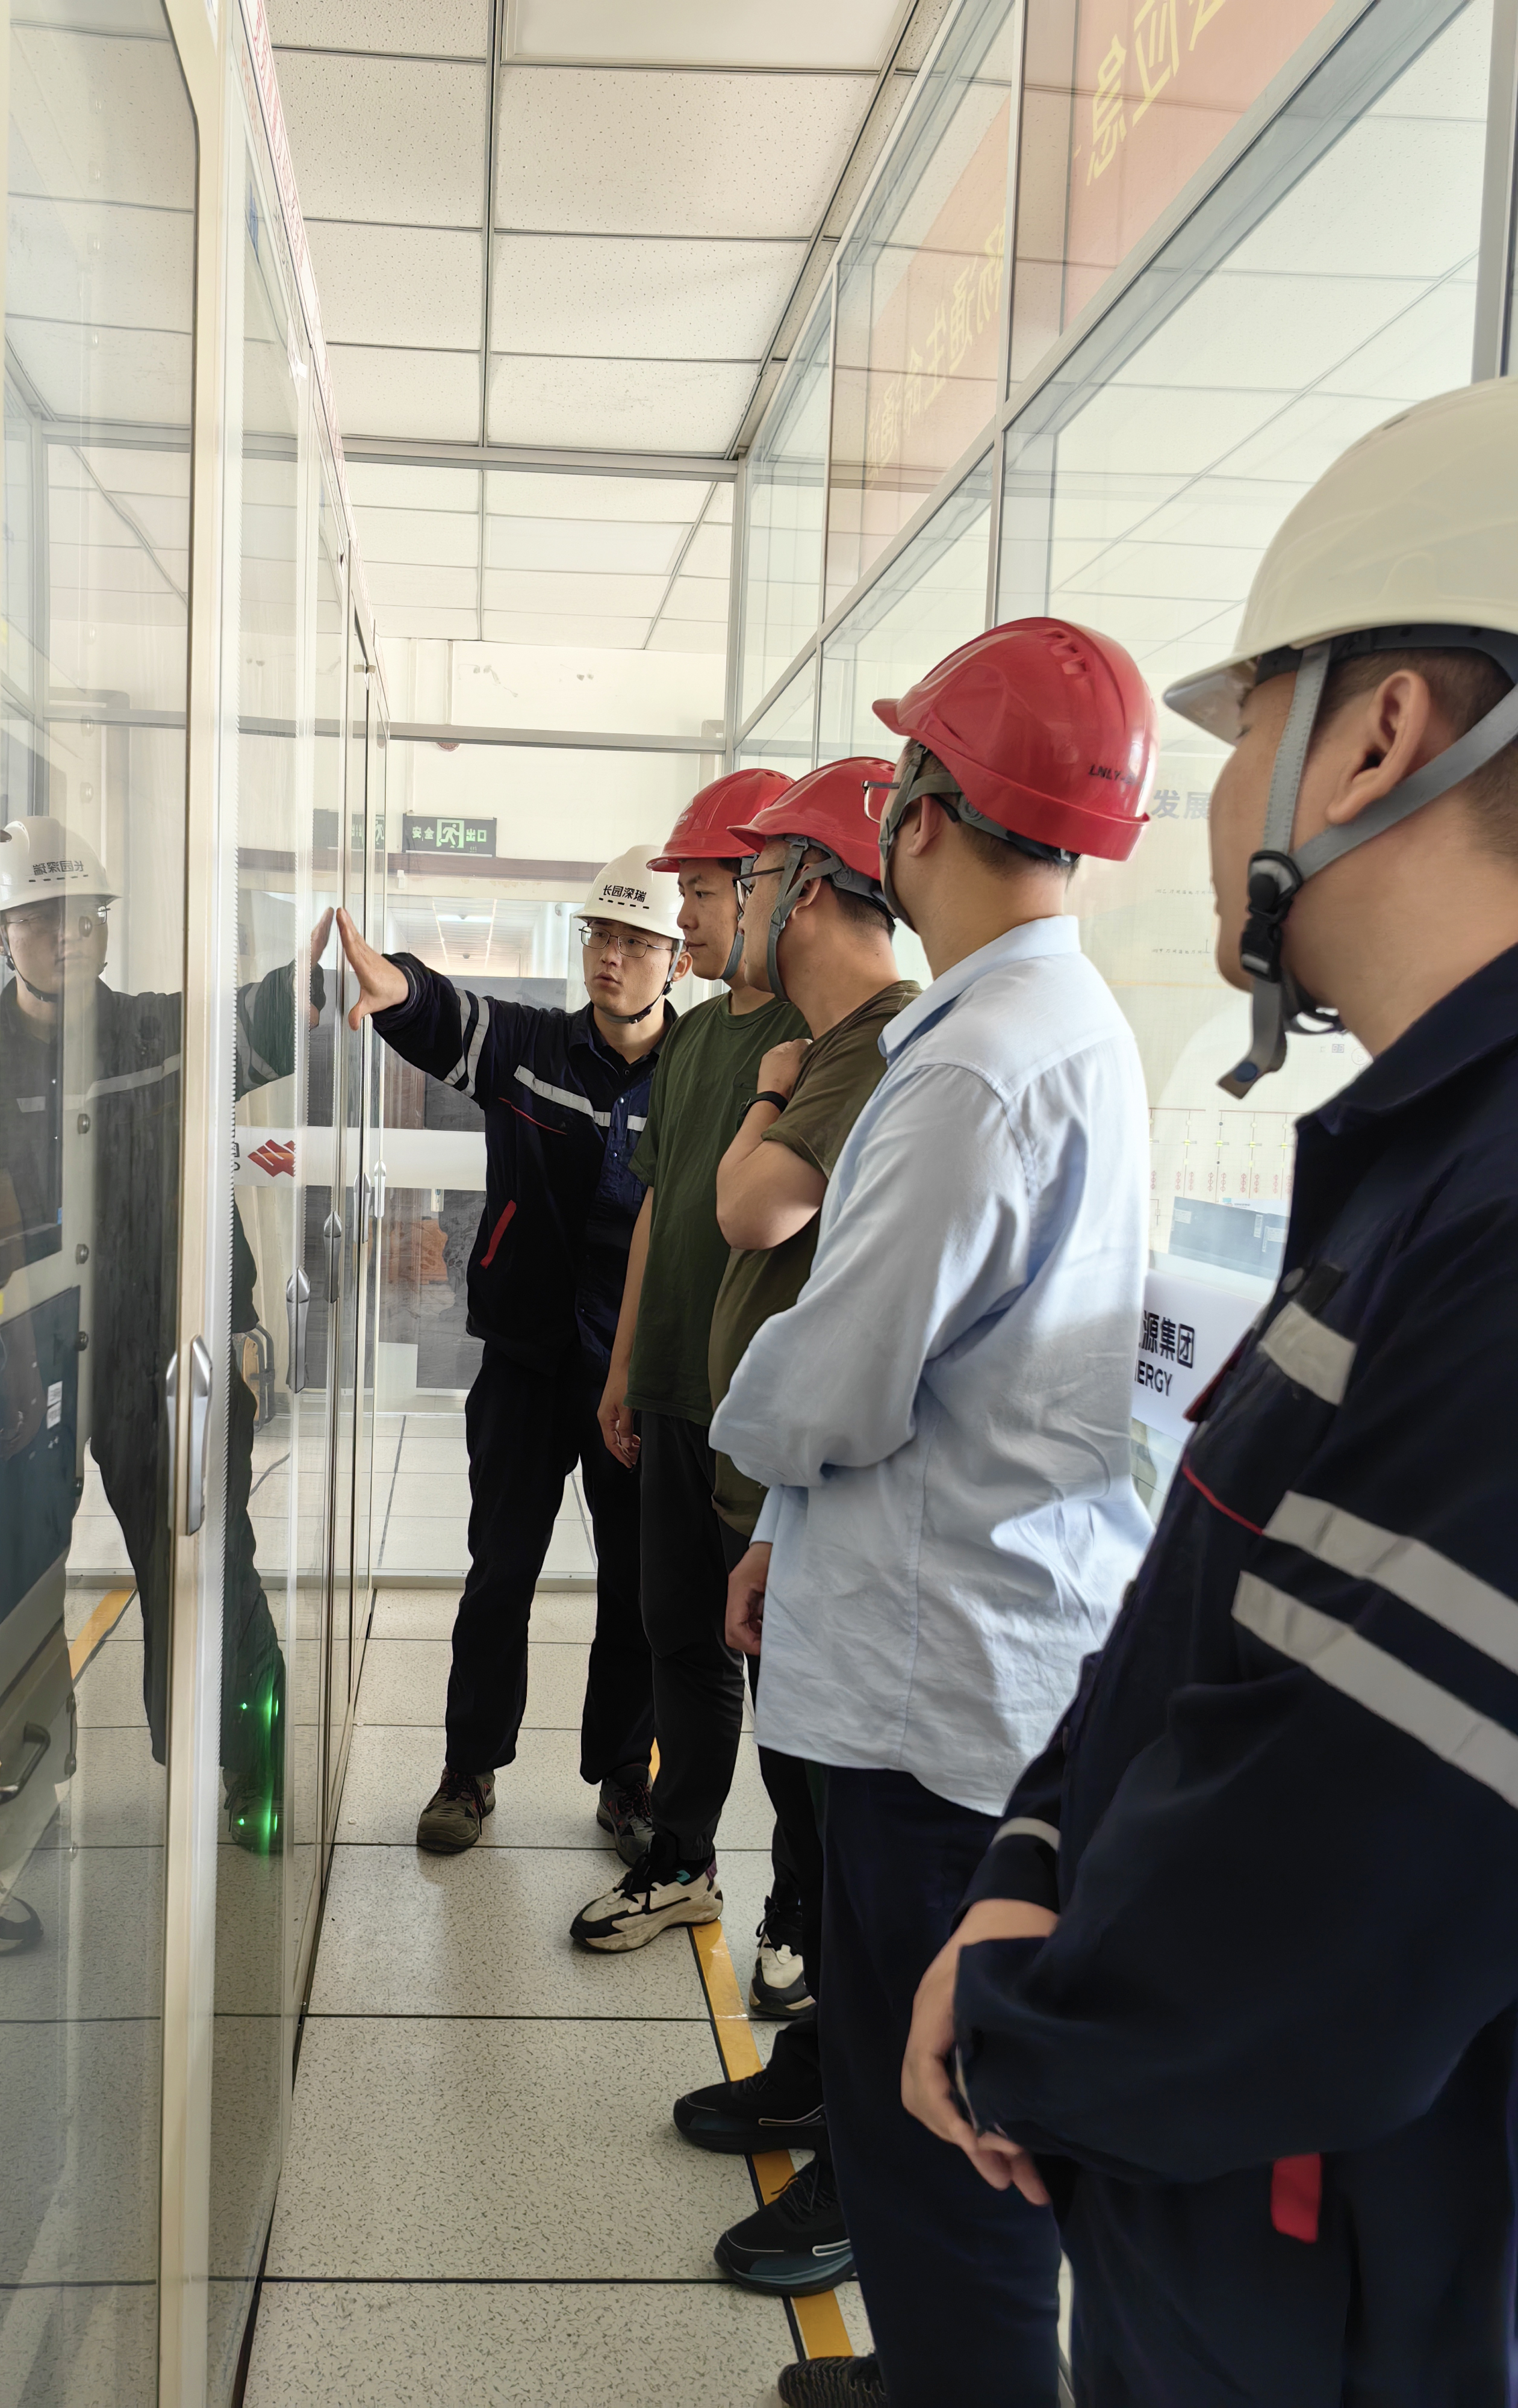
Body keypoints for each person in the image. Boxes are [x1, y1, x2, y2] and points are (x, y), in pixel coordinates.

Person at [903, 379, 1518, 2408]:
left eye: (1248, 721)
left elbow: (1344, 1887)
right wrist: (1027, 1866)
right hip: (1247, 2251)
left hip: (1344, 2307)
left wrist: (1026, 2040)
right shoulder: (1421, 1167)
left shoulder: (1496, 1222)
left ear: (1380, 734)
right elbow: (1215, 1613)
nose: (1218, 787)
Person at [709, 622, 1159, 2408]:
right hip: (967, 1643)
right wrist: (781, 1528)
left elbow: (845, 1374)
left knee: (935, 2136)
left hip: (931, 1696)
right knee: (935, 2108)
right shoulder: (1050, 1023)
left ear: (920, 811)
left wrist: (751, 1443)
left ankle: (956, 2382)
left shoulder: (976, 1064)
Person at [575, 758, 918, 2301]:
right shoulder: (808, 1041)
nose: (723, 906)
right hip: (785, 1479)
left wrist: (775, 1098)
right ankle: (823, 2073)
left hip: (875, 1525)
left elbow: (758, 1217)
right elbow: (695, 1212)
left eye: (745, 878)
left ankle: (865, 2151)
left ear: (814, 886)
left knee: (853, 1838)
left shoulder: (902, 1048)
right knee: (796, 1773)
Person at [334, 849, 689, 1855]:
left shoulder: (697, 1075)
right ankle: (468, 1770)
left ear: (676, 960)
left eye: (636, 941)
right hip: (526, 1364)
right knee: (501, 1574)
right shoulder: (531, 1047)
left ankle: (626, 1779)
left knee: (635, 1588)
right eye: (600, 935)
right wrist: (397, 984)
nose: (611, 956)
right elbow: (446, 1015)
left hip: (634, 1374)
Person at [0, 819, 316, 1867]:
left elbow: (266, 1017)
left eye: (84, 915)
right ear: (3, 933)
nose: (66, 934)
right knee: (16, 1584)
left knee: (203, 1563)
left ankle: (243, 1763)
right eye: (41, 917)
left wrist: (325, 978)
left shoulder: (156, 1036)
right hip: (28, 1360)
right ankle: (23, 1784)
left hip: (164, 1356)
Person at [570, 771, 807, 1993]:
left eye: (708, 892)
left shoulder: (818, 1042)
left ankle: (802, 1908)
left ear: (774, 890)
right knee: (677, 1632)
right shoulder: (699, 1038)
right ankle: (683, 1857)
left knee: (781, 1661)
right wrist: (625, 1366)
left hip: (760, 1404)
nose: (688, 918)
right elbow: (661, 1205)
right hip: (669, 1381)